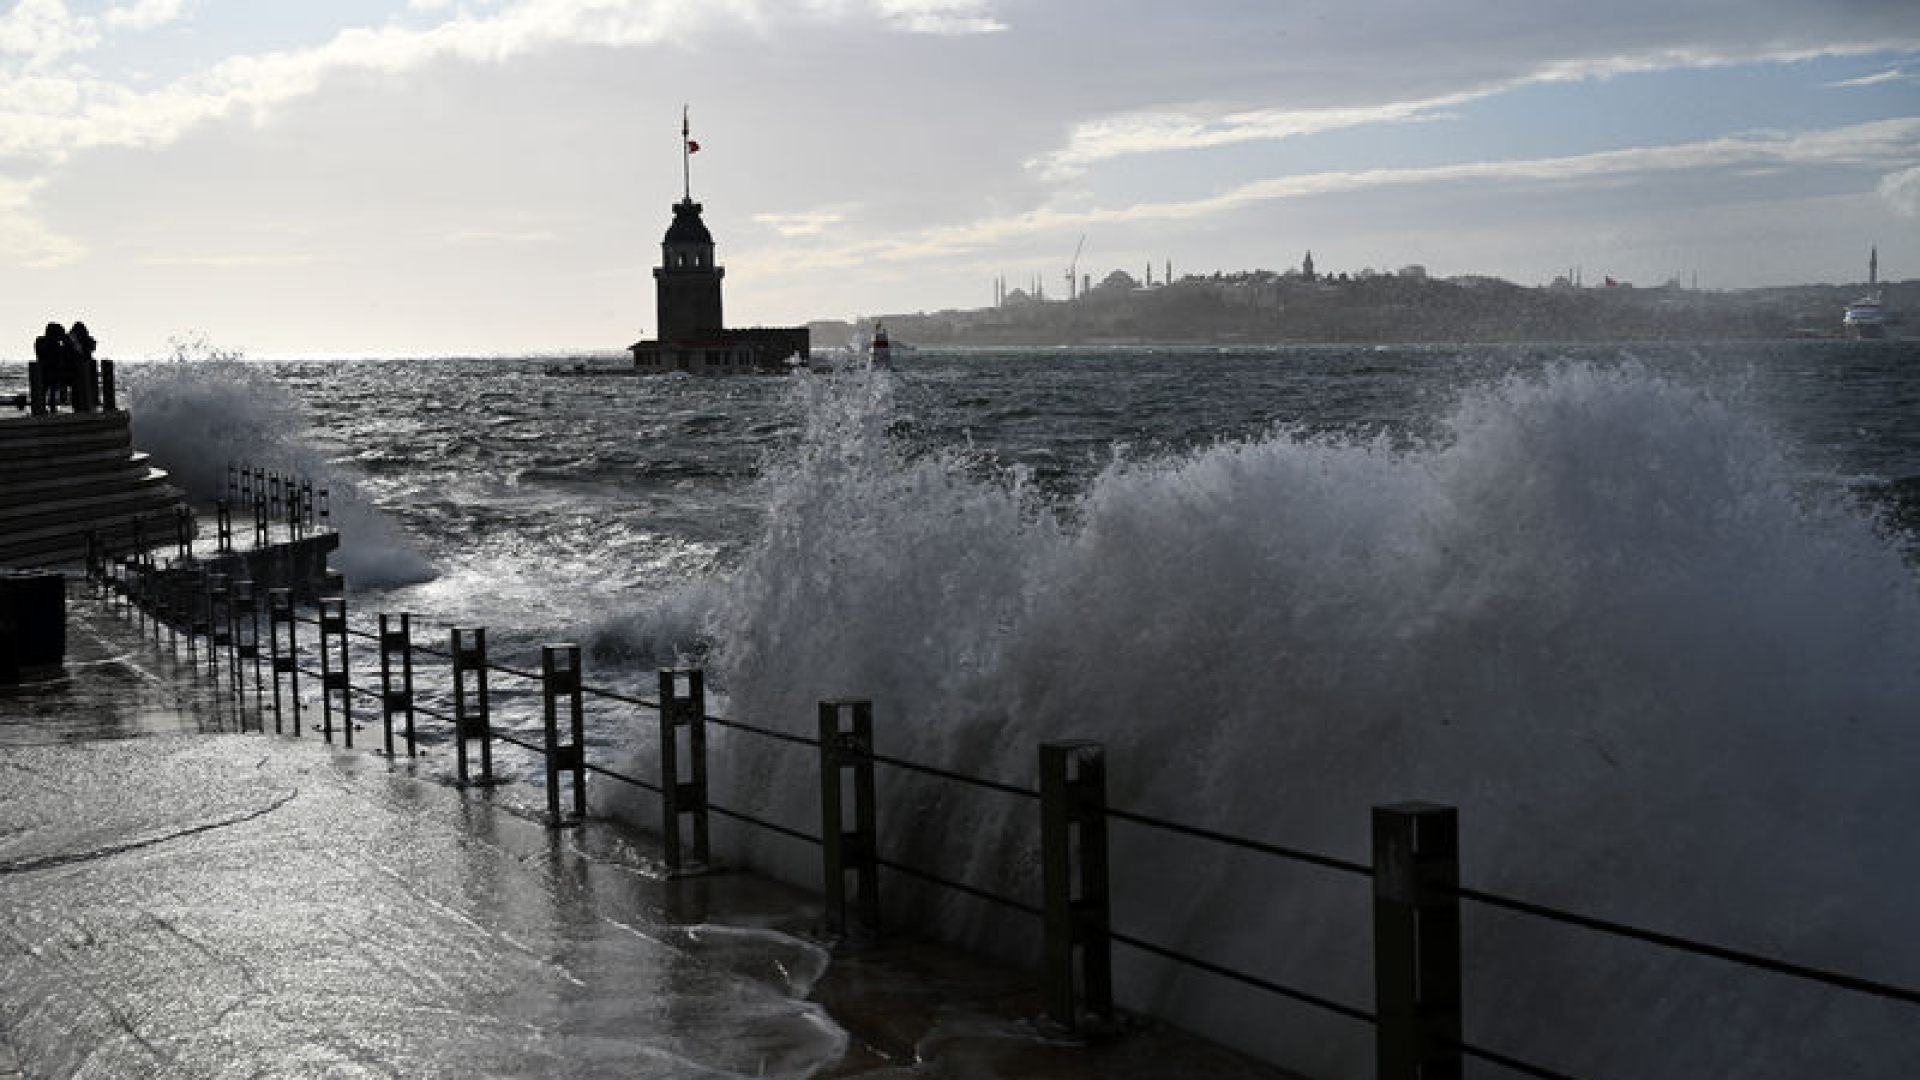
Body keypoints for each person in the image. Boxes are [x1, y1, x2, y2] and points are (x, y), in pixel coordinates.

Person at [31, 323, 69, 412]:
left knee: (44, 390)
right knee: (50, 390)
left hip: (42, 370)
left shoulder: (40, 341)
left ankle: (44, 407)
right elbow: (60, 358)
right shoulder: (55, 345)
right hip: (51, 370)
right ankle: (50, 407)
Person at [68, 321, 97, 412]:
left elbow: (86, 351)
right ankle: (82, 406)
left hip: (85, 369)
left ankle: (87, 405)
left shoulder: (85, 341)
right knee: (78, 390)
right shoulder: (71, 341)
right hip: (77, 370)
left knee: (86, 390)